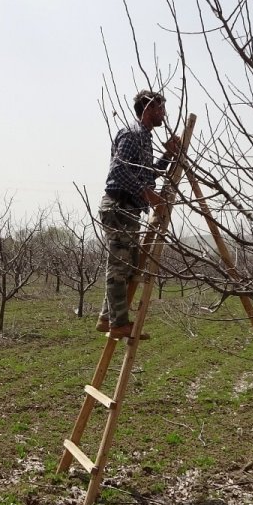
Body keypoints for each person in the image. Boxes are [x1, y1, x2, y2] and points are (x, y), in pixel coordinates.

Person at [95, 90, 181, 340]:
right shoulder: (132, 134)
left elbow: (146, 175)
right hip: (119, 207)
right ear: (148, 109)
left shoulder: (144, 138)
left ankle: (106, 317)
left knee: (128, 266)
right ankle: (119, 323)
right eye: (160, 108)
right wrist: (147, 194)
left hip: (128, 210)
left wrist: (167, 156)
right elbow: (118, 171)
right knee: (119, 268)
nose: (163, 113)